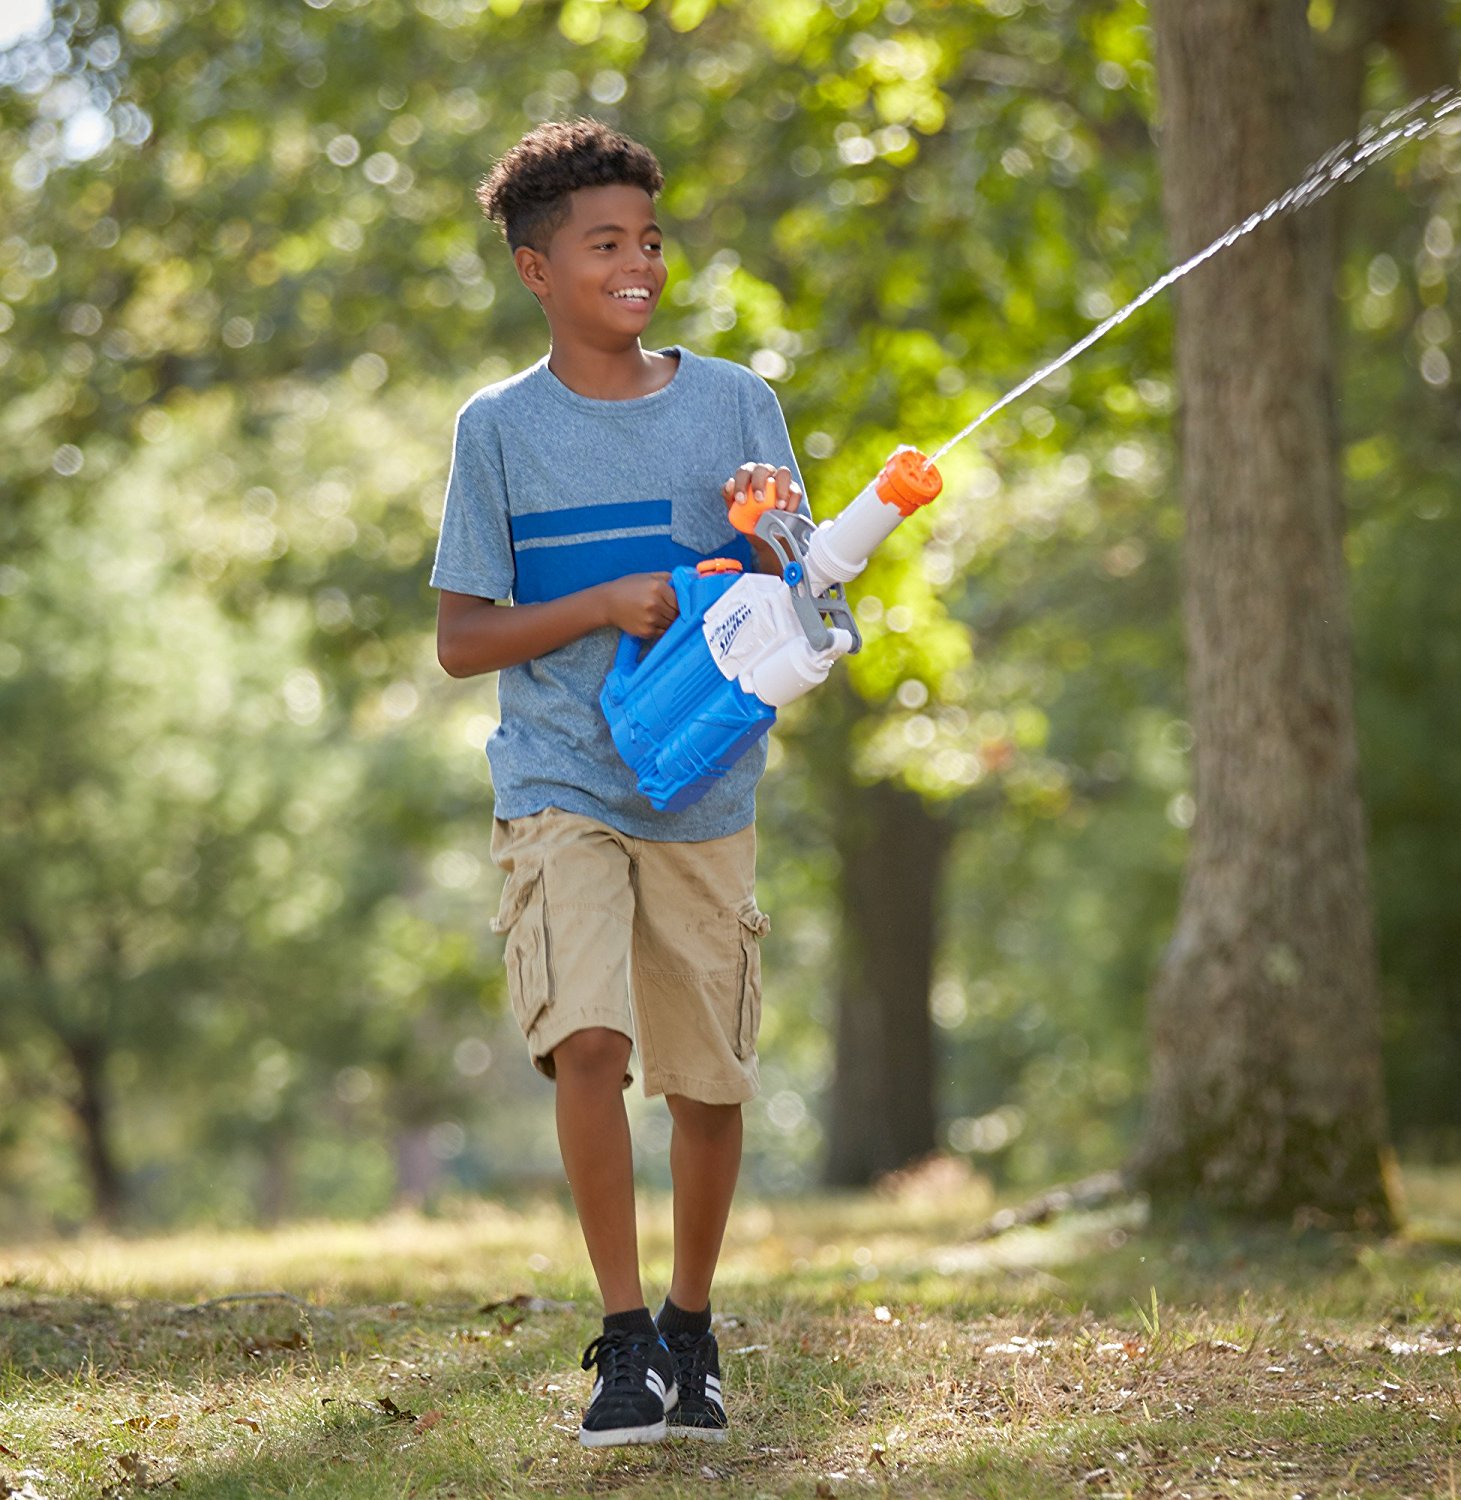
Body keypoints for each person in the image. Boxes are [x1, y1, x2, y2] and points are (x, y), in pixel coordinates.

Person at [429, 118, 804, 1449]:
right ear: (538, 269)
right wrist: (596, 602)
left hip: (703, 791)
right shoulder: (500, 433)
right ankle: (627, 1340)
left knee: (707, 1083)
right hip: (559, 783)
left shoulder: (736, 404)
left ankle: (695, 1339)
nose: (638, 264)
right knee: (587, 1041)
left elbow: (798, 608)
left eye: (649, 239)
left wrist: (771, 537)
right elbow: (462, 637)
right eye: (606, 244)